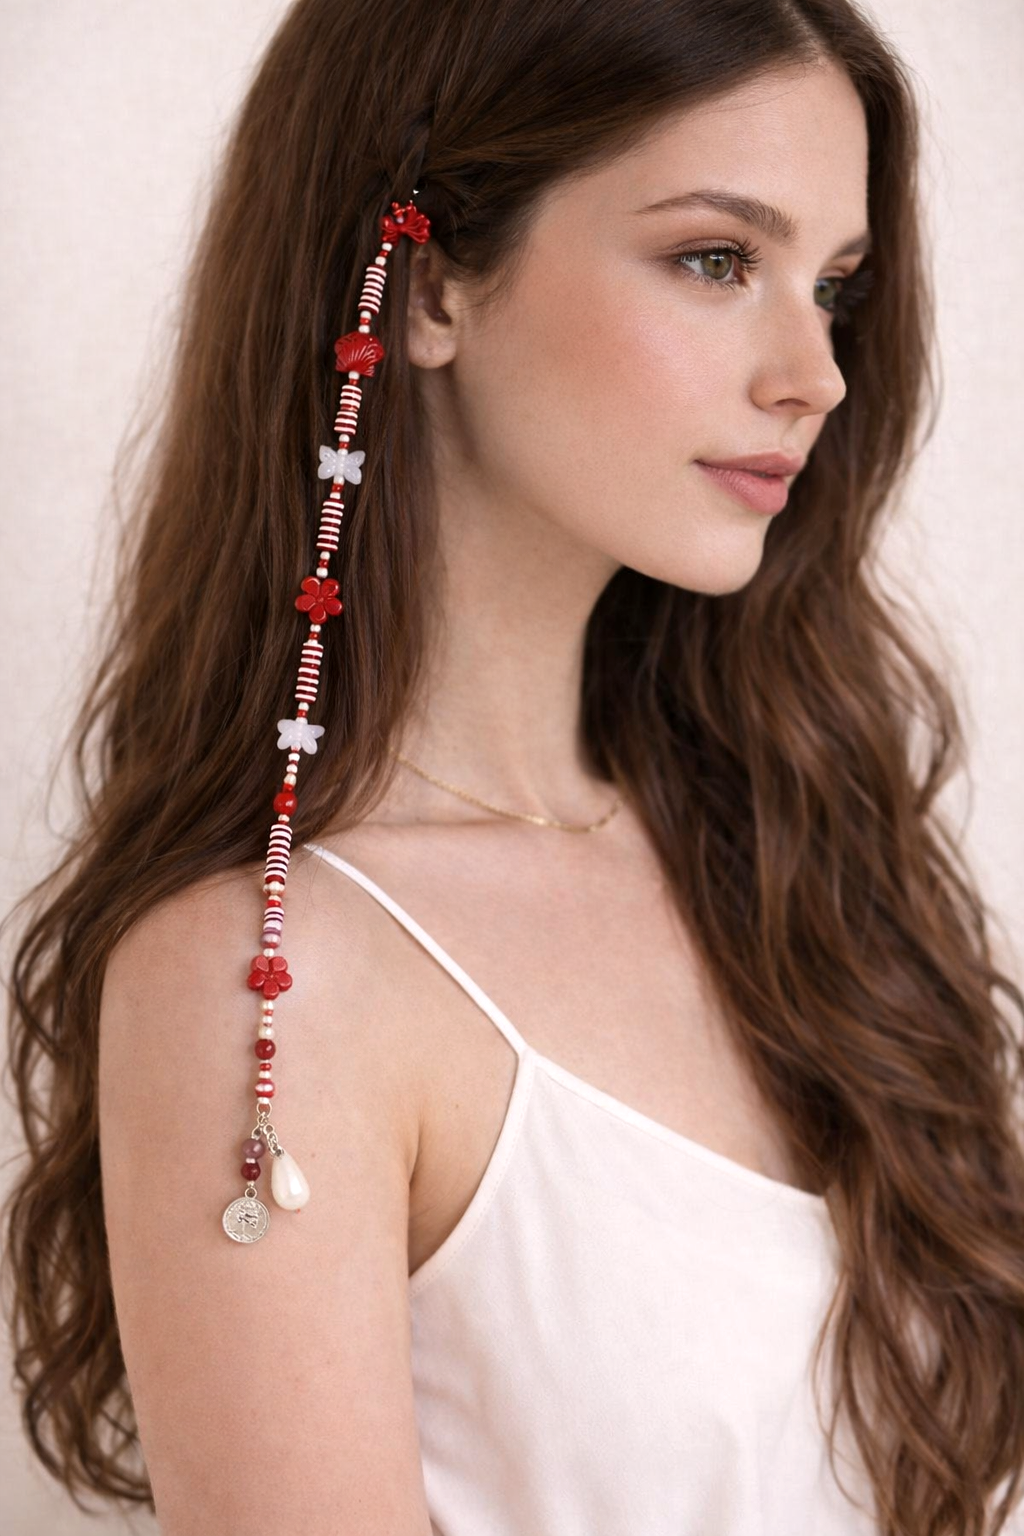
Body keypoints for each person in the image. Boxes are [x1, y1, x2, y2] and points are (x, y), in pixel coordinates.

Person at [4, 0, 1024, 1532]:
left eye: (834, 288)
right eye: (715, 260)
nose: (814, 371)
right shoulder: (269, 980)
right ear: (426, 289)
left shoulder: (806, 864)